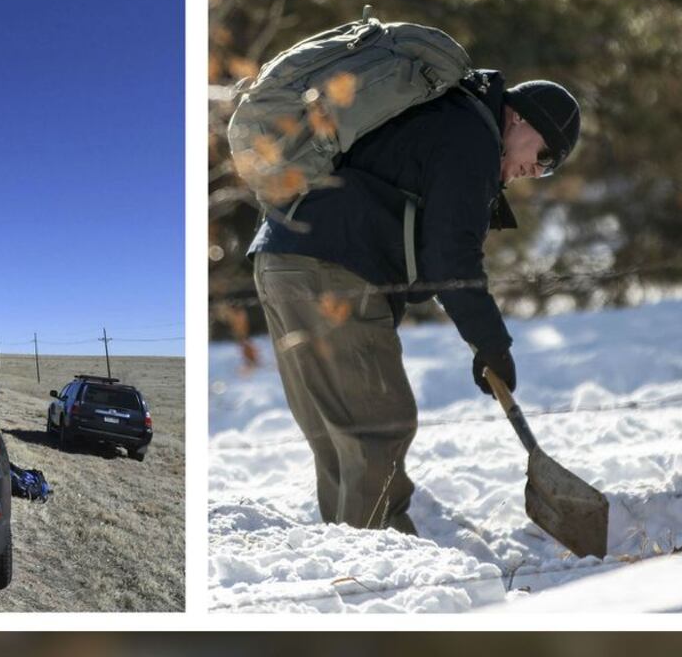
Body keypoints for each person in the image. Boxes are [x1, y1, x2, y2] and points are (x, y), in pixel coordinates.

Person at [248, 70, 581, 534]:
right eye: (544, 155)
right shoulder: (471, 138)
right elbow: (451, 258)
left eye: (549, 168)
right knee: (380, 429)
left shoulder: (443, 117)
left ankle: (346, 557)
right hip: (333, 273)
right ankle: (382, 571)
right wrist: (492, 345)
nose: (537, 170)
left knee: (339, 437)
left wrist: (482, 342)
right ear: (521, 119)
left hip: (281, 258)